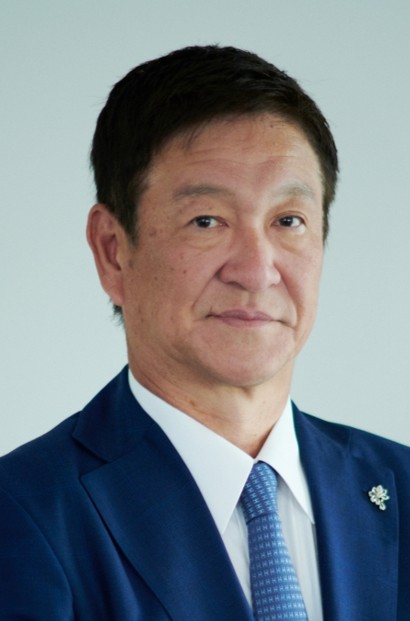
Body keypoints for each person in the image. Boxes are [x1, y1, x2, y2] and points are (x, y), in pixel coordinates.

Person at [0, 45, 409, 621]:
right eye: (206, 221)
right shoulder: (25, 514)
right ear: (114, 252)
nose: (257, 270)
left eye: (288, 220)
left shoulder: (401, 485)